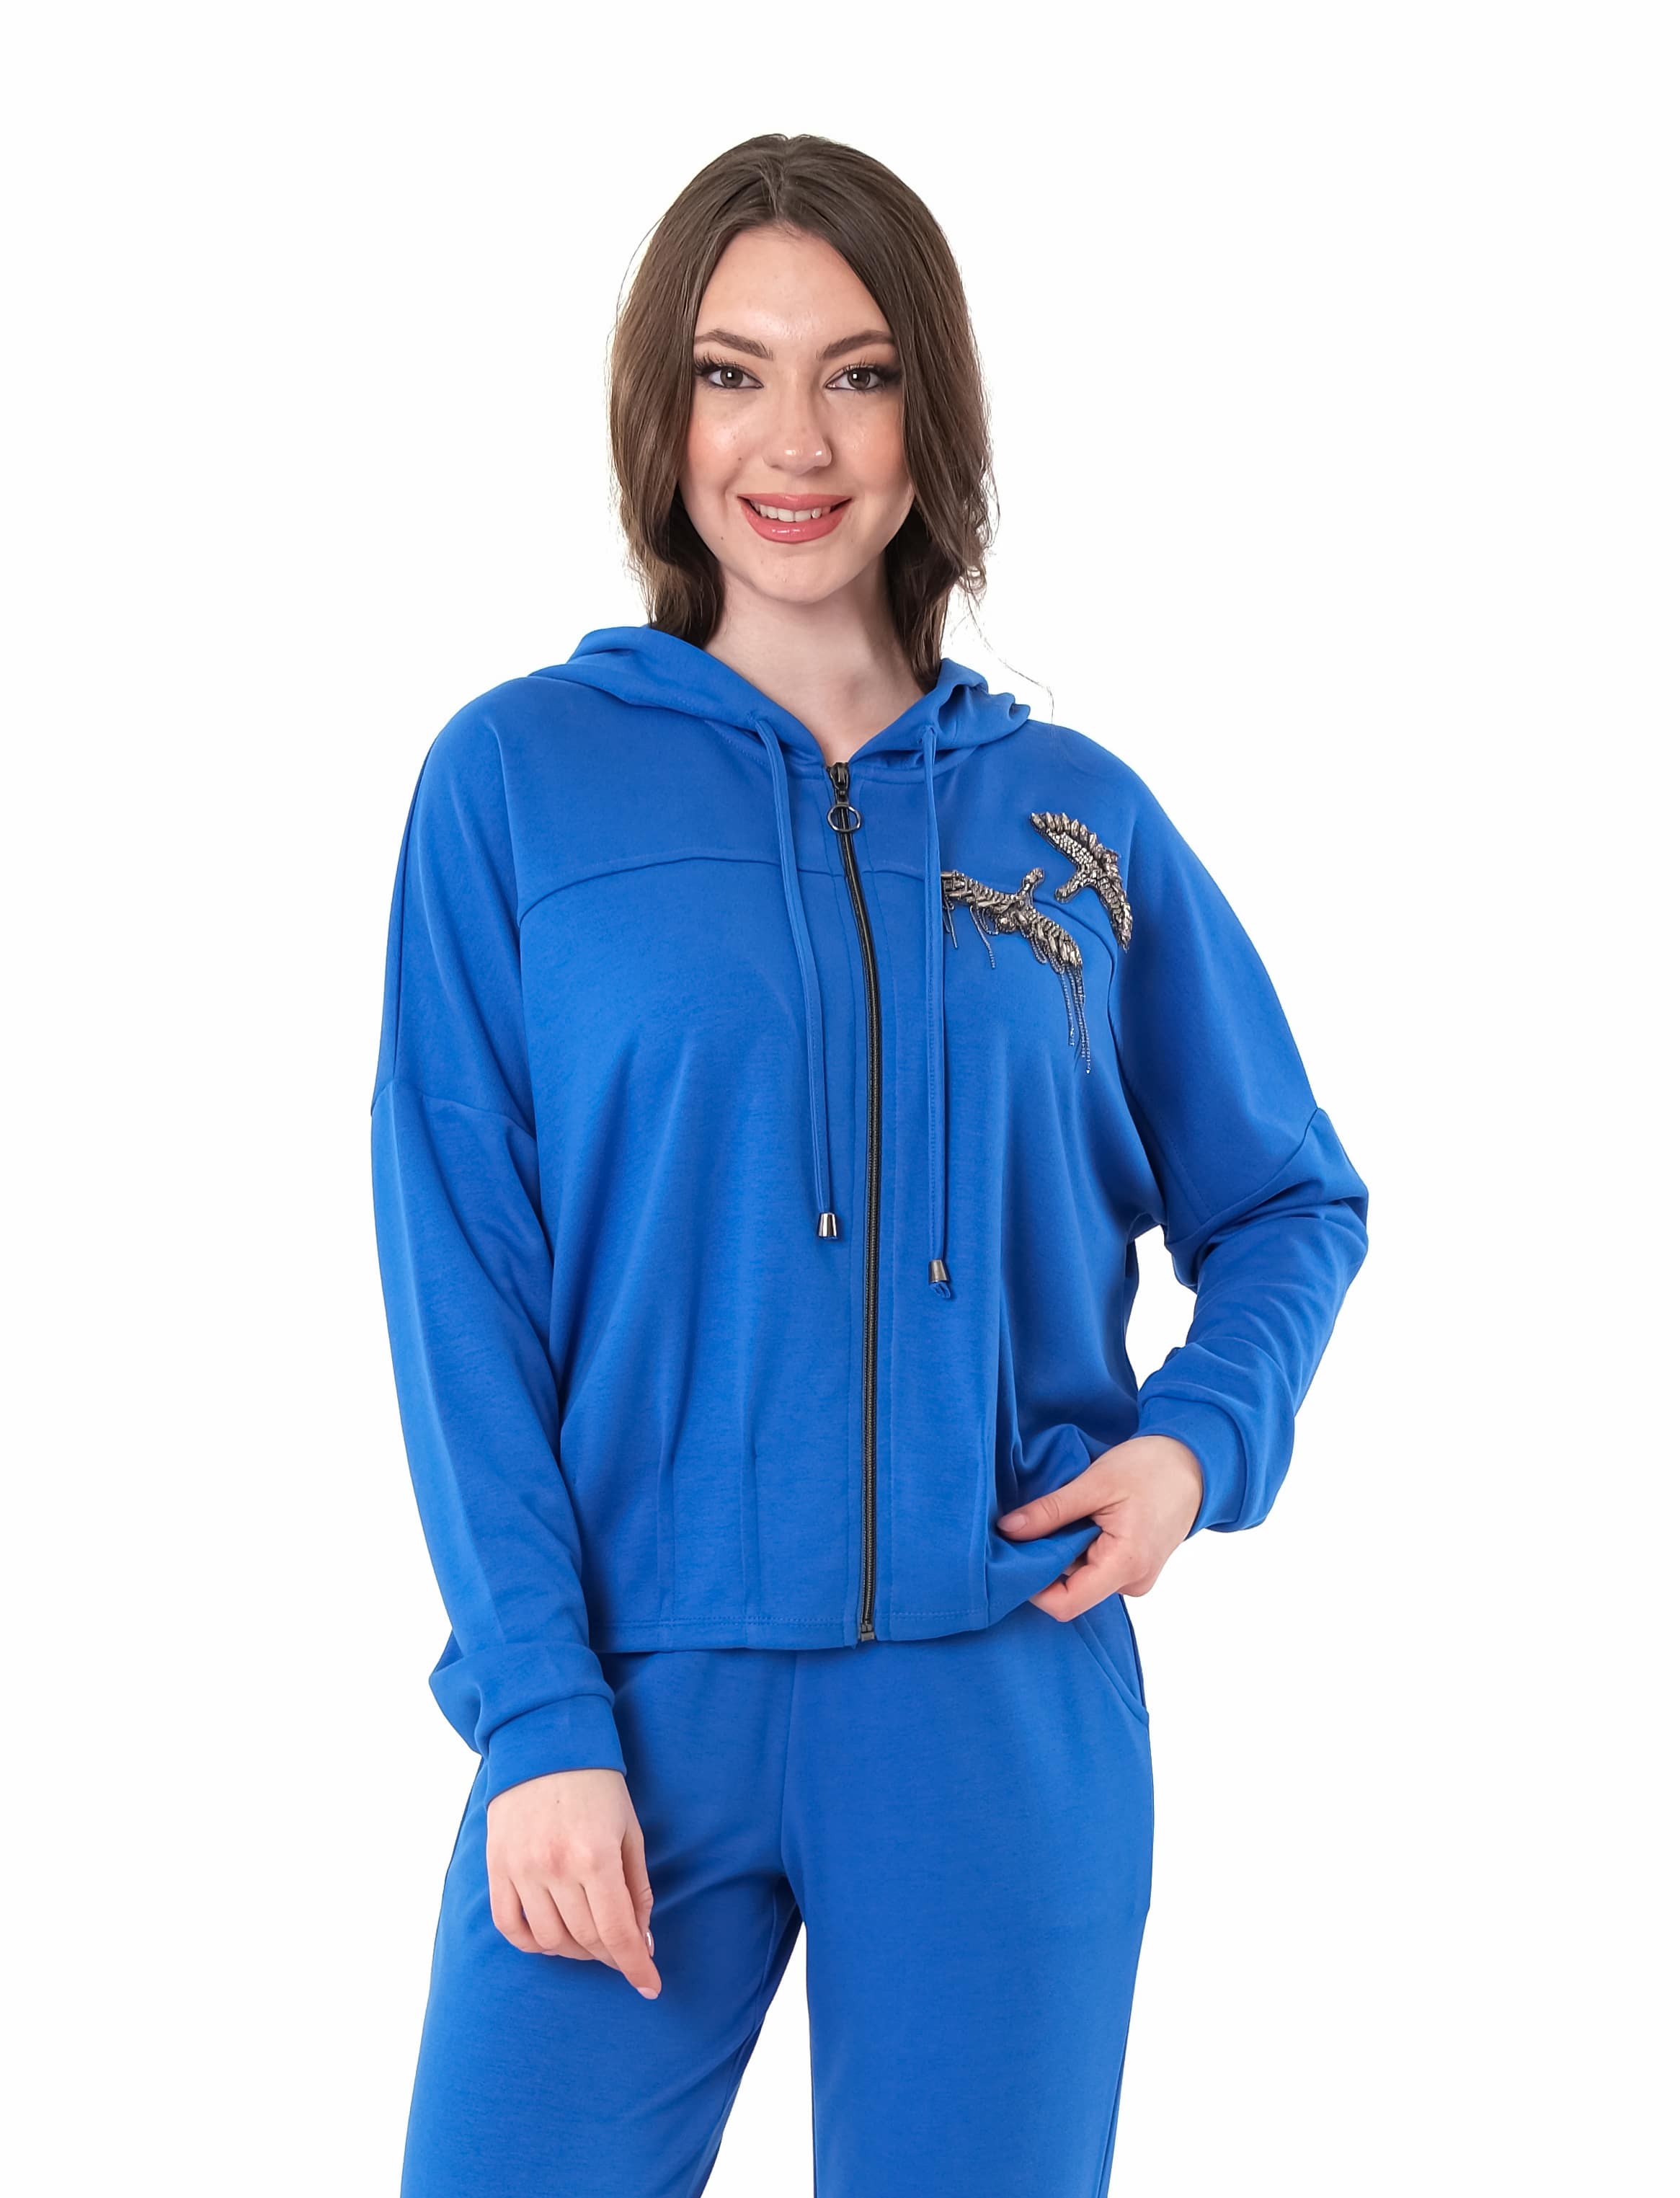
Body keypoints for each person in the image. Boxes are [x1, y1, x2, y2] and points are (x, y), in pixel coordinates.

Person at [370, 131, 1369, 2198]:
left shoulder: (1072, 820)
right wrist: (539, 1715)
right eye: (732, 375)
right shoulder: (517, 784)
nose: (796, 443)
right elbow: (459, 1270)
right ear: (663, 417)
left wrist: (1193, 1448)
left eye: (860, 373)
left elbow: (1289, 1197)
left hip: (997, 1699)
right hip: (631, 1700)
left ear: (934, 412)